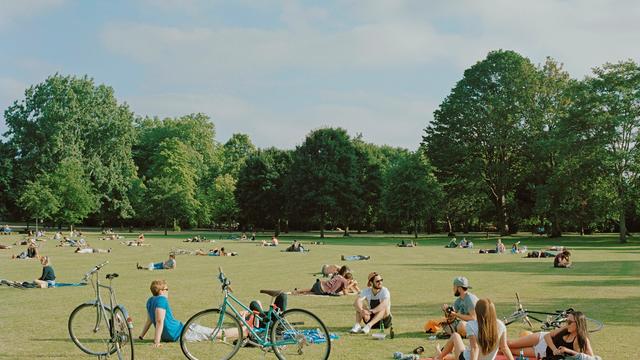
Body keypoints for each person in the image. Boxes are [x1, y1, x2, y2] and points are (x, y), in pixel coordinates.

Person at [433, 298, 513, 360]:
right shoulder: (501, 325)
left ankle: (439, 357)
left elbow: (475, 349)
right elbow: (504, 348)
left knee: (455, 336)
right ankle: (440, 355)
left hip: (467, 358)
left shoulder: (471, 325)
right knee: (463, 350)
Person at [507, 311, 594, 359]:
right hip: (540, 339)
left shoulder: (583, 339)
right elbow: (547, 336)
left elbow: (591, 358)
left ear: (578, 324)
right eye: (566, 321)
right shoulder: (565, 328)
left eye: (570, 322)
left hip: (543, 352)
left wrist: (568, 351)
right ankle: (494, 340)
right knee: (510, 343)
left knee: (510, 351)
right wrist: (554, 349)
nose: (567, 324)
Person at [138, 280, 184, 346]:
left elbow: (149, 321)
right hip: (179, 332)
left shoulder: (150, 301)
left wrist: (141, 336)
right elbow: (159, 321)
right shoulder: (162, 300)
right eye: (166, 289)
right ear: (161, 291)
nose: (168, 291)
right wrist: (157, 342)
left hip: (166, 337)